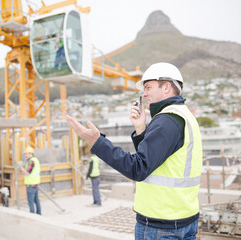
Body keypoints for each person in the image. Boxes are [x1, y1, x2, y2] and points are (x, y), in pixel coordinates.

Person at [66, 62, 203, 240]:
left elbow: (138, 168)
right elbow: (154, 162)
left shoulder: (167, 120)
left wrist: (97, 142)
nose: (144, 94)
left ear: (167, 87)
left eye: (148, 87)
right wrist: (141, 130)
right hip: (183, 218)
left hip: (161, 224)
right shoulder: (183, 115)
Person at [20, 146, 41, 215]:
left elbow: (27, 173)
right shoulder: (36, 160)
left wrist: (21, 168)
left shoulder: (31, 161)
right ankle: (39, 214)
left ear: (31, 154)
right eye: (25, 154)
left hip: (31, 184)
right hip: (35, 183)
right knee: (36, 200)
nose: (25, 155)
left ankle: (32, 215)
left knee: (31, 202)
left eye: (27, 154)